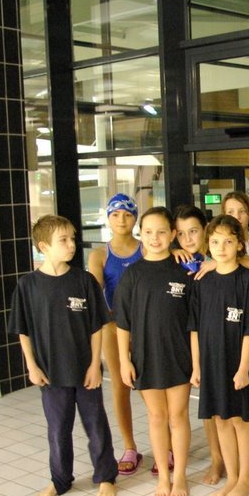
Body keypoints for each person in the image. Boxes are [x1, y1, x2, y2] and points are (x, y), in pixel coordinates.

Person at [8, 214, 117, 496]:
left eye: (72, 238)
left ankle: (106, 476)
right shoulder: (28, 285)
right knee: (58, 430)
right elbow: (23, 330)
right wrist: (31, 366)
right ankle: (60, 480)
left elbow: (96, 327)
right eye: (63, 240)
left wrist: (95, 365)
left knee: (96, 425)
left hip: (85, 370)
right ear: (44, 246)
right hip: (51, 372)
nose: (71, 245)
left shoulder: (83, 280)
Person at [113, 206, 194, 496]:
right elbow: (122, 323)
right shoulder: (132, 275)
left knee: (178, 416)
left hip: (179, 354)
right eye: (148, 232)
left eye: (161, 232)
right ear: (141, 234)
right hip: (145, 356)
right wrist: (124, 360)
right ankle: (163, 476)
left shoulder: (184, 270)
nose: (155, 238)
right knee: (157, 416)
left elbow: (194, 322)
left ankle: (180, 475)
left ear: (172, 234)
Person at [189, 215, 249, 496]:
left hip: (239, 362)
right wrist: (196, 366)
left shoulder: (247, 281)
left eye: (228, 241)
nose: (221, 248)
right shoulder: (202, 282)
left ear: (239, 245)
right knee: (221, 419)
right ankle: (232, 476)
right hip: (212, 362)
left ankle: (245, 479)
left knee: (241, 422)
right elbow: (194, 328)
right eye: (215, 242)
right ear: (207, 245)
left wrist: (245, 368)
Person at [87, 193, 144, 477]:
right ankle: (130, 446)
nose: (122, 220)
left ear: (135, 218)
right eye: (116, 214)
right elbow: (96, 295)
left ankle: (167, 444)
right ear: (108, 218)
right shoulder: (99, 255)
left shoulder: (147, 248)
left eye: (128, 214)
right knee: (120, 386)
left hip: (145, 328)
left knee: (151, 387)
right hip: (112, 328)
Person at [174, 205, 225, 485]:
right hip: (186, 338)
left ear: (205, 229)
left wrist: (217, 263)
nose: (188, 239)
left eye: (193, 231)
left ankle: (239, 456)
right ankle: (217, 459)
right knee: (208, 405)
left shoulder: (219, 255)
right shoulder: (177, 261)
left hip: (219, 338)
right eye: (181, 234)